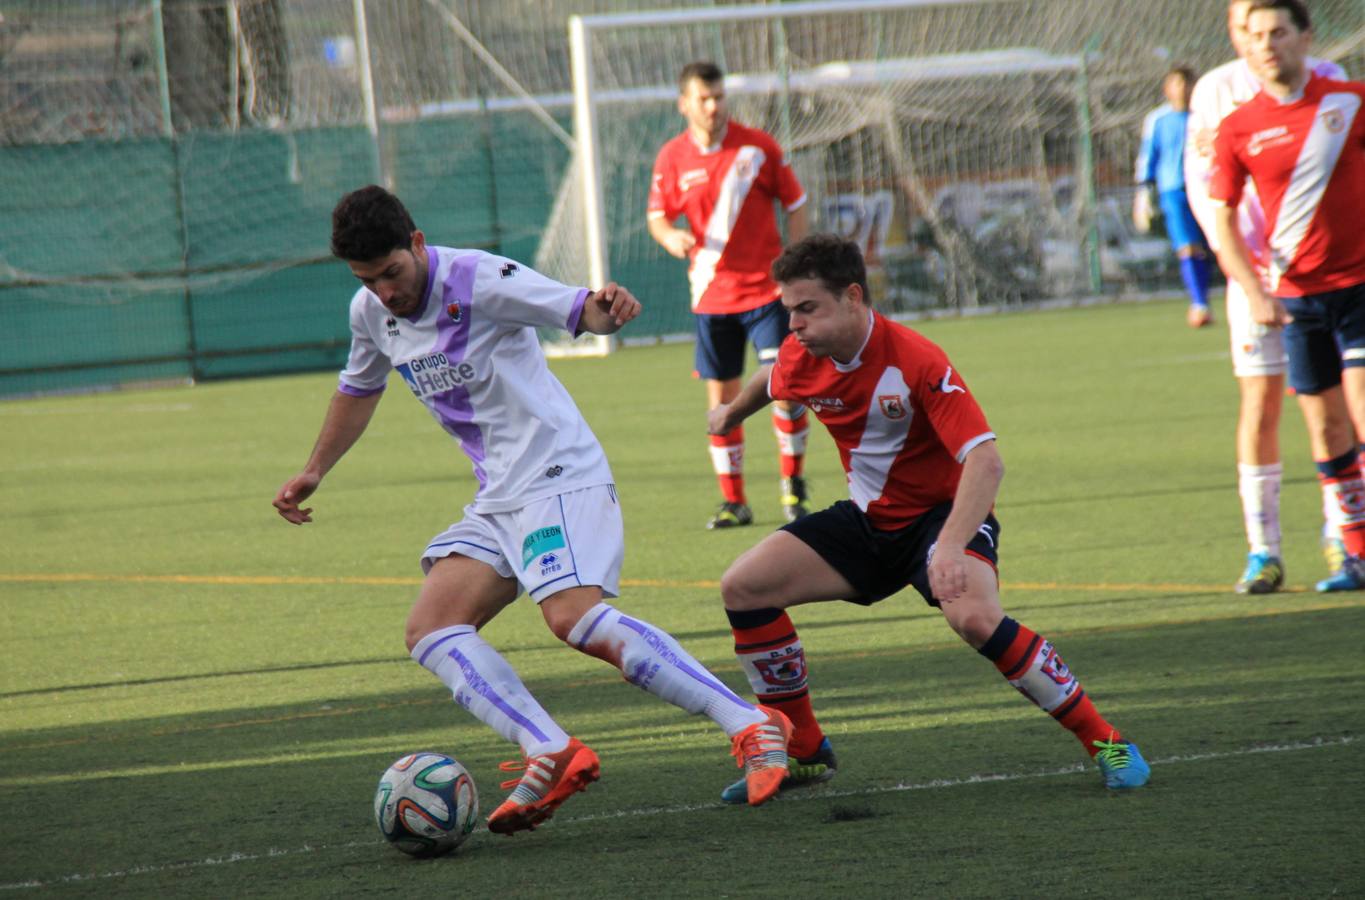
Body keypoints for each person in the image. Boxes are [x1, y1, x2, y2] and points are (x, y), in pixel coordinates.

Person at [272, 186, 794, 832]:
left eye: (391, 273)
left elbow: (578, 309)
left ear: (416, 244)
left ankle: (750, 724)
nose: (384, 292)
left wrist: (609, 307)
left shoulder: (479, 278)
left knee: (571, 617)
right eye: (366, 280)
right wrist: (314, 468)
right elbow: (359, 388)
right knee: (431, 628)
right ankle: (549, 747)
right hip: (499, 494)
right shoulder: (368, 313)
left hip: (558, 473)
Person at [707, 234, 1151, 803]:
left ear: (852, 297)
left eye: (806, 308)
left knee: (973, 618)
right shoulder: (802, 353)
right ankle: (806, 751)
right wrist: (727, 414)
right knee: (743, 587)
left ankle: (1107, 742)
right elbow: (769, 383)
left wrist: (948, 547)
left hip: (943, 519)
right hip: (868, 522)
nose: (792, 324)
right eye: (787, 310)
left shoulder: (917, 360)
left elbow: (986, 461)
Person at [1185, 0, 1352, 593]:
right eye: (1243, 25)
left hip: (1331, 277)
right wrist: (1249, 278)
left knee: (1340, 411)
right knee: (1262, 406)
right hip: (1257, 278)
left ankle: (1343, 534)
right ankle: (1264, 550)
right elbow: (1208, 192)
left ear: (1298, 33)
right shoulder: (1216, 92)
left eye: (1270, 26)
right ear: (1236, 30)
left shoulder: (1333, 83)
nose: (1256, 37)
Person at [648, 60, 812, 530]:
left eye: (719, 96)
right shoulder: (672, 158)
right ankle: (734, 502)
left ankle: (793, 488)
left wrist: (794, 268)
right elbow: (658, 216)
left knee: (783, 388)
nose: (714, 106)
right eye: (704, 98)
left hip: (766, 294)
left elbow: (796, 203)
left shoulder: (758, 147)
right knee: (722, 400)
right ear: (685, 104)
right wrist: (669, 237)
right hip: (711, 297)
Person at [1134, 65, 1214, 328]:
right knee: (1188, 247)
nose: (1183, 89)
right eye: (1177, 83)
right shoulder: (1158, 119)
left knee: (1219, 245)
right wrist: (1143, 193)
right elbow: (1149, 155)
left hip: (1208, 187)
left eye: (1187, 83)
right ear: (1166, 88)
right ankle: (1199, 304)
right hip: (1174, 191)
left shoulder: (1205, 116)